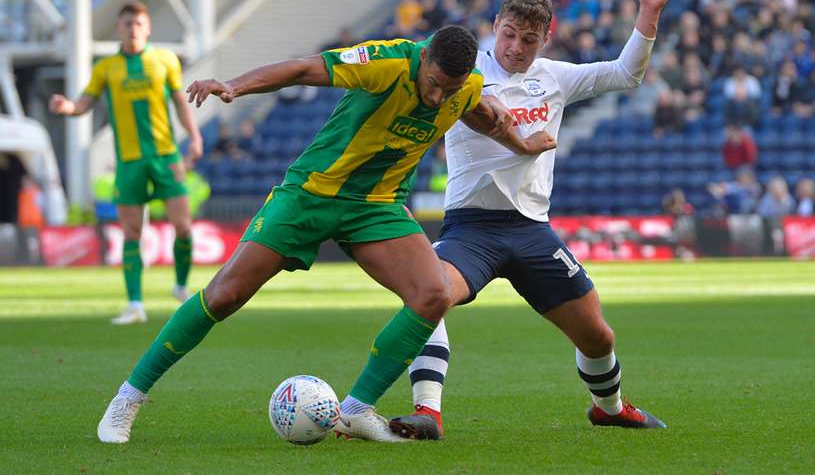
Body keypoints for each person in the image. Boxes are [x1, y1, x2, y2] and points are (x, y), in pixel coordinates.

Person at [95, 25, 557, 445]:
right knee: (225, 294)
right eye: (433, 84)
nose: (437, 98)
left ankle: (356, 411)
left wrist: (522, 145)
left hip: (376, 206)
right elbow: (302, 68)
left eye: (449, 89)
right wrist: (235, 85)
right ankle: (127, 398)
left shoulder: (464, 85)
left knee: (434, 293)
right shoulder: (387, 62)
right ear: (423, 62)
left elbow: (477, 112)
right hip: (312, 193)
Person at [388, 0, 680, 441]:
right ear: (495, 27)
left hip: (532, 232)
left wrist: (648, 12)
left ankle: (608, 408)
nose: (514, 48)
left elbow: (626, 73)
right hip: (471, 229)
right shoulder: (465, 71)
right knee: (428, 296)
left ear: (545, 38)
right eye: (508, 34)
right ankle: (428, 413)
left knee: (598, 335)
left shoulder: (554, 78)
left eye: (528, 40)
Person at [49, 1, 203, 324]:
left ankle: (180, 286)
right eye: (127, 23)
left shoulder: (165, 60)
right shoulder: (106, 68)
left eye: (138, 24)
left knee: (184, 227)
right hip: (129, 161)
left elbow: (179, 102)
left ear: (147, 28)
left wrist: (195, 136)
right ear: (118, 28)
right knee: (131, 231)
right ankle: (135, 305)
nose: (132, 28)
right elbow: (83, 104)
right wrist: (67, 106)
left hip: (166, 156)